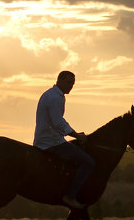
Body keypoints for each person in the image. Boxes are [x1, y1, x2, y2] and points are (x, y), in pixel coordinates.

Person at [34, 70, 95, 209]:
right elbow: (58, 122)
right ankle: (70, 196)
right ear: (59, 80)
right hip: (52, 142)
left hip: (48, 139)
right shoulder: (55, 97)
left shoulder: (52, 94)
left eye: (73, 84)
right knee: (88, 163)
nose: (71, 86)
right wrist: (77, 136)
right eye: (68, 82)